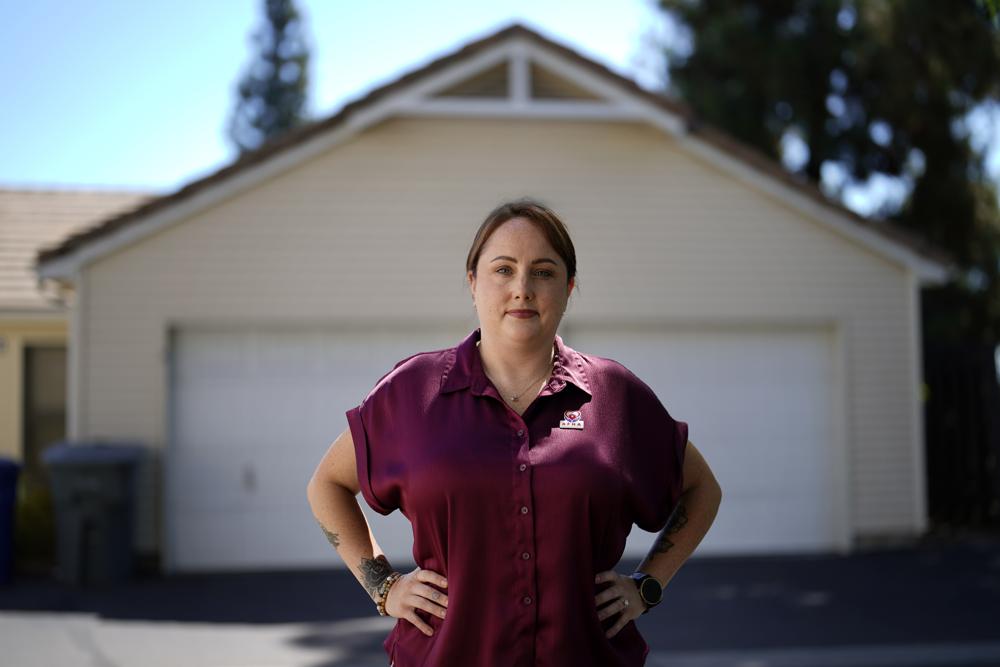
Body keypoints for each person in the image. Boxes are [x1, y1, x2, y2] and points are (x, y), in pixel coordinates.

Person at [306, 198, 722, 666]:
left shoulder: (616, 396)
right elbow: (327, 484)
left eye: (543, 272)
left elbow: (702, 489)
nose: (522, 288)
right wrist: (383, 587)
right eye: (503, 270)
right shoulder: (413, 391)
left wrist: (648, 585)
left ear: (568, 288)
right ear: (473, 284)